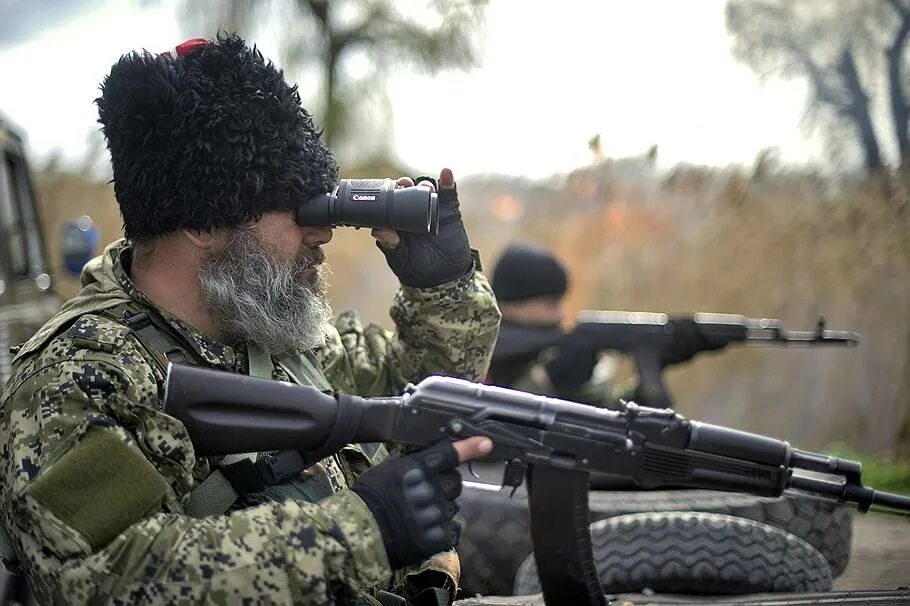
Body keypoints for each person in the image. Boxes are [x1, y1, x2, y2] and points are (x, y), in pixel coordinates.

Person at [0, 33, 500, 605]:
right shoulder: (78, 376)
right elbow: (111, 578)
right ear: (205, 223)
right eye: (297, 206)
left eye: (323, 202)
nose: (323, 232)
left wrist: (443, 284)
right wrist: (362, 528)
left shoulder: (275, 335)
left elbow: (426, 391)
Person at [488, 243, 617, 405]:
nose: (560, 314)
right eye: (550, 304)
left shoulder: (550, 350)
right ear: (511, 305)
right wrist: (545, 380)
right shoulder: (476, 353)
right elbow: (491, 416)